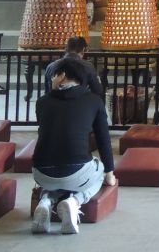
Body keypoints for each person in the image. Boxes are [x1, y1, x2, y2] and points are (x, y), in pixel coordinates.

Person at [33, 58, 117, 234]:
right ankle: (74, 201)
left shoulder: (42, 101)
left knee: (57, 178)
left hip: (40, 172)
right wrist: (109, 173)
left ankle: (46, 201)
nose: (52, 79)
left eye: (54, 75)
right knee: (98, 171)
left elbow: (47, 132)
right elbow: (103, 140)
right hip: (76, 171)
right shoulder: (94, 101)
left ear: (62, 75)